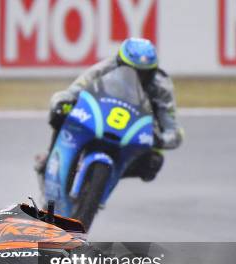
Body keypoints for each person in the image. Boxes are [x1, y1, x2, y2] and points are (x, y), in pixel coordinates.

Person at [36, 37, 184, 182]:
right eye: (132, 71)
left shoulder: (161, 86)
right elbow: (73, 90)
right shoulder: (105, 68)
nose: (138, 78)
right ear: (119, 63)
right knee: (61, 112)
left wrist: (161, 140)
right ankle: (50, 157)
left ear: (154, 71)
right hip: (100, 115)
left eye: (145, 73)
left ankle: (104, 179)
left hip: (135, 129)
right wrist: (61, 102)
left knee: (153, 162)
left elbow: (173, 130)